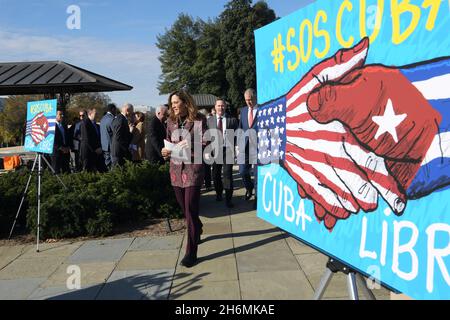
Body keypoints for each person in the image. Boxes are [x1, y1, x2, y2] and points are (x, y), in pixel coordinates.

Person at [161, 90, 207, 268]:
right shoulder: (171, 121)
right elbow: (167, 141)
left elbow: (208, 142)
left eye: (176, 102)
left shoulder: (198, 120)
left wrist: (193, 144)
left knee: (190, 209)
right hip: (175, 170)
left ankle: (191, 252)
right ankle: (198, 225)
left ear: (185, 102)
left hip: (193, 170)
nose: (173, 105)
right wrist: (165, 151)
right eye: (171, 103)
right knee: (185, 209)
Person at [207, 98, 239, 208]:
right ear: (215, 107)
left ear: (225, 107)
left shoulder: (232, 120)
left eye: (222, 105)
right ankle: (219, 193)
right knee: (215, 175)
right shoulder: (209, 120)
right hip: (215, 151)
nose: (221, 107)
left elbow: (237, 135)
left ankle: (228, 199)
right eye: (218, 106)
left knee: (227, 175)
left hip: (228, 150)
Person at [238, 88, 259, 209]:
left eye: (250, 100)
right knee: (242, 170)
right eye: (246, 100)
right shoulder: (244, 110)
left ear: (255, 97)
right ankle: (249, 187)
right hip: (245, 146)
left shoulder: (263, 109)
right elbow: (241, 128)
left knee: (256, 173)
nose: (249, 102)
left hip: (258, 147)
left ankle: (257, 197)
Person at [80, 108, 106, 172]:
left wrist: (99, 148)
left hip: (98, 151)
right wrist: (95, 149)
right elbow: (86, 139)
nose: (97, 115)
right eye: (95, 114)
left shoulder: (96, 125)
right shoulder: (85, 123)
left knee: (103, 170)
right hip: (89, 152)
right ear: (90, 114)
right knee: (88, 172)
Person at [51, 110, 71, 174]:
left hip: (65, 152)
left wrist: (68, 147)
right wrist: (60, 148)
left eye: (62, 114)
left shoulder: (64, 125)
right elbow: (52, 139)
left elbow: (67, 137)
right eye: (60, 114)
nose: (62, 116)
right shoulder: (52, 126)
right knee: (56, 171)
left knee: (66, 171)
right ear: (55, 115)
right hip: (56, 153)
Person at [100, 103, 117, 170]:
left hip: (104, 145)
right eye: (115, 110)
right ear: (113, 109)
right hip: (111, 145)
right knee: (112, 165)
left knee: (107, 164)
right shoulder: (112, 119)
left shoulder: (103, 118)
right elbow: (115, 132)